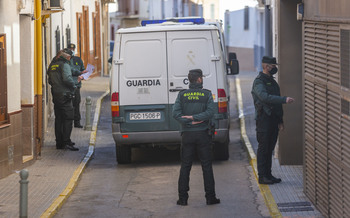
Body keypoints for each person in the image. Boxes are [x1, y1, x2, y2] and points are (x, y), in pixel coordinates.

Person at [172, 69, 220, 206]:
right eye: (201, 78)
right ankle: (210, 198)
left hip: (187, 134)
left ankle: (182, 199)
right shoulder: (206, 94)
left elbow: (175, 114)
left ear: (190, 80)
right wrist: (197, 119)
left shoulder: (182, 95)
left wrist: (189, 120)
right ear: (199, 79)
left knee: (185, 166)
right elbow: (211, 112)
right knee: (206, 166)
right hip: (203, 134)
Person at [251, 56, 295, 184]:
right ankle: (262, 176)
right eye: (272, 66)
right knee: (263, 148)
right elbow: (265, 97)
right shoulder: (259, 82)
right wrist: (284, 99)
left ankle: (268, 175)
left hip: (273, 120)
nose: (275, 68)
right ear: (266, 66)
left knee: (270, 148)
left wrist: (280, 121)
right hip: (264, 120)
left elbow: (277, 104)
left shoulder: (272, 81)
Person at [47, 49, 81, 151]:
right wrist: (74, 85)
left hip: (56, 95)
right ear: (67, 57)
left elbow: (50, 80)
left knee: (59, 119)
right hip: (65, 95)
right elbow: (67, 78)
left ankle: (59, 143)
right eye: (70, 58)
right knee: (68, 118)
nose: (70, 59)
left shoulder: (52, 65)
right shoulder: (64, 64)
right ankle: (66, 141)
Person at [67, 43, 87, 128]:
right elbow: (69, 71)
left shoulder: (78, 60)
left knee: (77, 104)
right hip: (69, 86)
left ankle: (77, 122)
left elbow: (83, 70)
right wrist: (79, 73)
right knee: (69, 105)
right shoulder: (67, 60)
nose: (72, 50)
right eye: (70, 49)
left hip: (77, 86)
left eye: (73, 49)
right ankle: (69, 123)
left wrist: (83, 75)